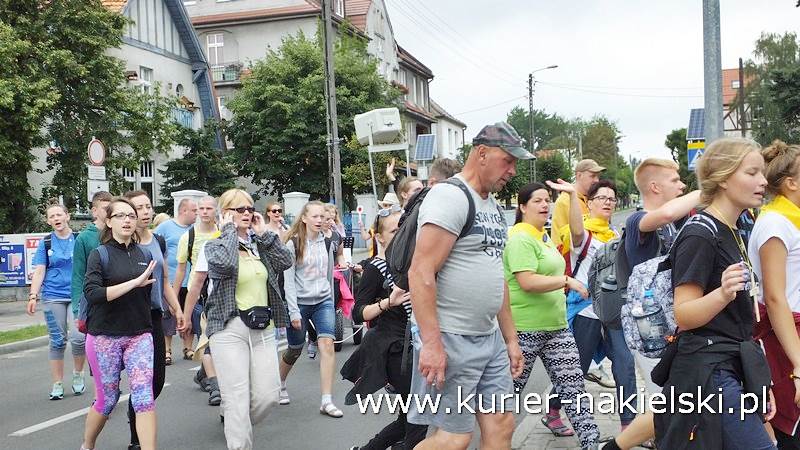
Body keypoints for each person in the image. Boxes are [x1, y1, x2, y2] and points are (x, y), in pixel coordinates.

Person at [407, 122, 526, 450]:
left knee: (501, 425)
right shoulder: (450, 196)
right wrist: (432, 344)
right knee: (453, 438)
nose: (513, 171)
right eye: (508, 161)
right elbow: (420, 272)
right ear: (482, 153)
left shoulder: (491, 206)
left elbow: (495, 275)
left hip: (488, 339)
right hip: (452, 336)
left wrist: (511, 339)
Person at [654, 137, 776, 449]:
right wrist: (721, 293)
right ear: (722, 178)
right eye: (751, 173)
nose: (762, 180)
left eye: (762, 173)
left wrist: (761, 383)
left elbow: (740, 322)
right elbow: (684, 313)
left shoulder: (734, 230)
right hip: (708, 373)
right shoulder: (701, 233)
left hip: (732, 366)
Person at [503, 183, 600, 449]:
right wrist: (566, 281)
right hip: (525, 330)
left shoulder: (542, 237)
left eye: (547, 200)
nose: (545, 205)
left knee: (575, 391)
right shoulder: (520, 238)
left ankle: (592, 444)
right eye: (537, 201)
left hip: (557, 328)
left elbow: (577, 231)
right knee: (506, 399)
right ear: (522, 207)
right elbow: (527, 282)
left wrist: (571, 194)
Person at [196, 188, 292, 450]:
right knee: (237, 398)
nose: (248, 214)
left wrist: (265, 235)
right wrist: (228, 231)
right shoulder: (214, 245)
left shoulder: (260, 244)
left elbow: (286, 261)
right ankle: (238, 439)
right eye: (240, 209)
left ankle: (235, 421)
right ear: (226, 213)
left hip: (262, 327)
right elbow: (226, 265)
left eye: (250, 209)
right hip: (228, 329)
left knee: (268, 396)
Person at [553, 178, 637, 431]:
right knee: (575, 367)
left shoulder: (616, 236)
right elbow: (576, 231)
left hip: (614, 314)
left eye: (611, 198)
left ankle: (629, 426)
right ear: (589, 203)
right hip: (586, 312)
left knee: (625, 365)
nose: (608, 202)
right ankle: (553, 410)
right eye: (602, 198)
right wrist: (569, 196)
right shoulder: (583, 237)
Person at [341, 207, 428, 450]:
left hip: (418, 347)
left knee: (410, 418)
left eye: (404, 229)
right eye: (394, 230)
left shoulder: (415, 263)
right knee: (418, 418)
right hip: (394, 351)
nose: (401, 234)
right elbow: (358, 313)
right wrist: (389, 302)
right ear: (379, 237)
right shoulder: (376, 267)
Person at [80, 197, 158, 450]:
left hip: (139, 335)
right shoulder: (99, 255)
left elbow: (148, 298)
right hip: (105, 336)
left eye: (131, 216)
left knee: (144, 398)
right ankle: (88, 444)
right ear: (109, 222)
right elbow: (93, 294)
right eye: (121, 216)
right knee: (107, 399)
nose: (127, 220)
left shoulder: (144, 255)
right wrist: (133, 283)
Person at [124, 190, 186, 450]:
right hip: (130, 317)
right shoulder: (124, 244)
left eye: (148, 206)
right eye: (139, 208)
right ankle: (137, 438)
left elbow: (164, 282)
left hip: (154, 315)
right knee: (141, 380)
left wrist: (177, 309)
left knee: (157, 380)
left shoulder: (159, 240)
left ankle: (135, 417)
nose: (146, 212)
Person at [750, 140, 800, 449]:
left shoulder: (791, 220)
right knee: (790, 429)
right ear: (791, 183)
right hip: (786, 335)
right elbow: (775, 297)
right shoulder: (775, 223)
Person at [279, 201, 343, 417]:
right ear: (304, 218)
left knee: (327, 345)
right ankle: (280, 383)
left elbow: (328, 274)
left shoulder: (327, 243)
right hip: (300, 302)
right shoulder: (294, 244)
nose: (319, 220)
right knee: (295, 349)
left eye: (321, 217)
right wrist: (294, 311)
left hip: (323, 301)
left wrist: (331, 302)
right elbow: (287, 280)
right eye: (314, 216)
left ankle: (327, 400)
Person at [26, 203, 85, 400]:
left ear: (67, 216)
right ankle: (57, 383)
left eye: (59, 214)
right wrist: (33, 295)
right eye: (52, 216)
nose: (56, 219)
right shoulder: (46, 243)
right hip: (52, 296)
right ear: (48, 220)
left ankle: (78, 374)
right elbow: (40, 271)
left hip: (77, 296)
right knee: (57, 341)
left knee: (78, 338)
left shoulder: (79, 239)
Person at [174, 195, 222, 406]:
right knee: (207, 336)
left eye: (208, 208)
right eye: (200, 208)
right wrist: (176, 302)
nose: (204, 212)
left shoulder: (223, 233)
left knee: (214, 339)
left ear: (216, 211)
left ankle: (203, 373)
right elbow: (181, 270)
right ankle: (214, 384)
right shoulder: (189, 237)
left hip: (221, 291)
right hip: (199, 291)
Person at [154, 198, 197, 364]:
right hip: (169, 280)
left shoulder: (195, 229)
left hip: (191, 280)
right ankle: (167, 350)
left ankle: (188, 347)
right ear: (183, 211)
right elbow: (153, 243)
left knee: (190, 314)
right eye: (194, 210)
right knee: (168, 317)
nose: (197, 214)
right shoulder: (166, 227)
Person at [71, 191, 112, 333]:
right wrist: (77, 309)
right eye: (106, 208)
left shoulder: (117, 232)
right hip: (93, 300)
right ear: (94, 211)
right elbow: (78, 275)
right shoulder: (84, 238)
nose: (109, 212)